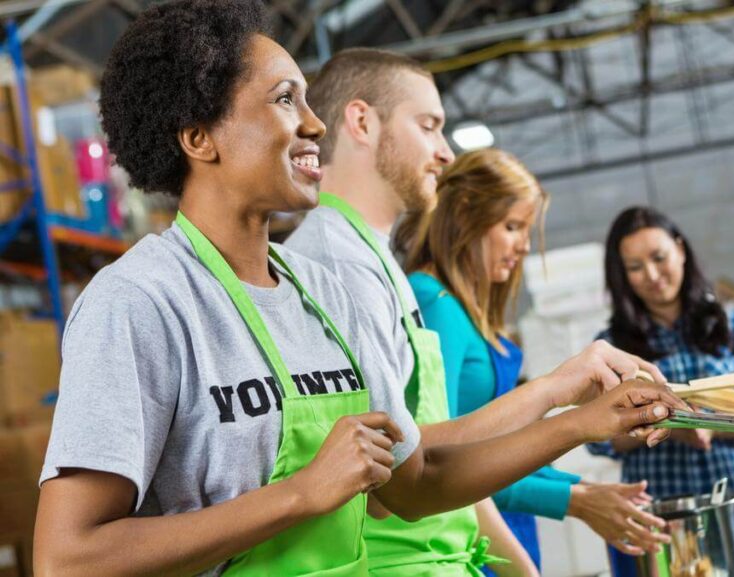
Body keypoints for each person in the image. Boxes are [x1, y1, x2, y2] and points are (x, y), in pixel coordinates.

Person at [33, 3, 684, 575]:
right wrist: (298, 493)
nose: (316, 125)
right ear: (200, 137)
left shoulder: (323, 291)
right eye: (287, 99)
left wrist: (581, 420)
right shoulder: (139, 303)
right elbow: (68, 557)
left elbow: (416, 479)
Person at [285, 48, 676, 576]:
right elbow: (402, 477)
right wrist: (565, 405)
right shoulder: (335, 266)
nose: (445, 154)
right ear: (361, 121)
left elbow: (420, 454)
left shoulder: (373, 262)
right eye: (429, 126)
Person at [397, 149, 667, 573]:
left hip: (504, 529)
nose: (524, 246)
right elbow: (443, 463)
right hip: (474, 538)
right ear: (465, 213)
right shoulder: (435, 303)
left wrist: (581, 490)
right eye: (512, 227)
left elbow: (498, 446)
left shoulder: (466, 308)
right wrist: (573, 499)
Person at [584, 207, 734, 575]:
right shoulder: (610, 347)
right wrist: (666, 424)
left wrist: (712, 427)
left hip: (730, 505)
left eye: (659, 258)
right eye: (635, 267)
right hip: (658, 516)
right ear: (621, 276)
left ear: (681, 251)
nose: (652, 275)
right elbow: (598, 437)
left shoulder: (732, 326)